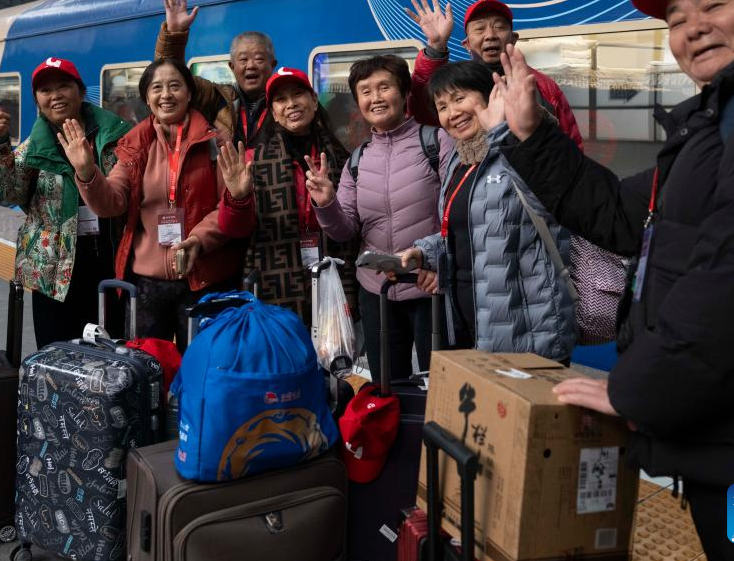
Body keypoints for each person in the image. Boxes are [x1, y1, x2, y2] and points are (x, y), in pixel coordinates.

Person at [487, 0, 734, 561]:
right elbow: (618, 213)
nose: (692, 26)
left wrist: (640, 389)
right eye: (677, 18)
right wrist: (530, 133)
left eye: (714, 4)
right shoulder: (717, 123)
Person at [396, 60, 576, 363]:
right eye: (442, 106)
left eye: (459, 98)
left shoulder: (526, 146)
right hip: (473, 327)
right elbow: (470, 231)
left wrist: (504, 130)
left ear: (491, 96)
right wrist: (422, 252)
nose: (452, 114)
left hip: (528, 331)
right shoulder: (460, 160)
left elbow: (546, 201)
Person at [62, 59, 249, 349]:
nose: (166, 95)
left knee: (200, 370)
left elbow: (227, 205)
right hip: (147, 284)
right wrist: (88, 174)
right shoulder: (134, 145)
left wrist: (198, 239)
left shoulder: (216, 142)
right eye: (156, 88)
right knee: (147, 370)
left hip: (203, 280)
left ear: (189, 93)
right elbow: (112, 202)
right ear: (147, 98)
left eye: (175, 86)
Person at [306, 55, 451, 380]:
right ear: (358, 101)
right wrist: (326, 203)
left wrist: (439, 263)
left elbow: (455, 214)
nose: (376, 97)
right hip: (378, 292)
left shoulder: (436, 142)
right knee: (388, 386)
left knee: (439, 386)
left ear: (404, 93)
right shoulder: (358, 159)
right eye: (366, 91)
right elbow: (344, 231)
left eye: (384, 87)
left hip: (429, 288)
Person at [0, 57, 132, 347]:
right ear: (37, 100)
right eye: (45, 90)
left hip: (111, 261)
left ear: (81, 92)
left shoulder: (116, 138)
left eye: (64, 86)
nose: (56, 95)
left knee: (114, 353)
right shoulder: (33, 149)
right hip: (54, 272)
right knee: (58, 355)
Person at [222, 66, 358, 326]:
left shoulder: (343, 158)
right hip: (276, 286)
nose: (291, 104)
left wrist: (328, 203)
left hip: (335, 280)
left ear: (314, 101)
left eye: (298, 95)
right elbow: (234, 230)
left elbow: (352, 225)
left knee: (335, 362)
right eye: (281, 100)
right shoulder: (251, 161)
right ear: (272, 112)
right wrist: (237, 198)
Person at [405, 0, 583, 149]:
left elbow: (570, 143)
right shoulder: (455, 84)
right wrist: (436, 46)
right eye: (480, 29)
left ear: (513, 39)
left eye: (499, 27)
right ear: (466, 44)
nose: (490, 35)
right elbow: (419, 112)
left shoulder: (542, 86)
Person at [154, 0, 277, 148]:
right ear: (232, 67)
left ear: (272, 65)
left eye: (259, 59)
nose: (251, 65)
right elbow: (169, 74)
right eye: (243, 59)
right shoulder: (218, 98)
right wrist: (174, 33)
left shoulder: (286, 101)